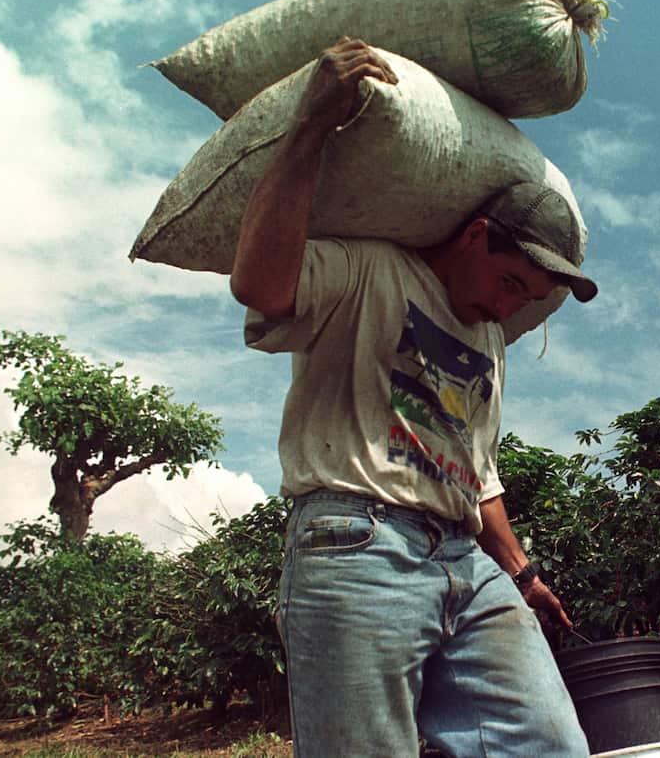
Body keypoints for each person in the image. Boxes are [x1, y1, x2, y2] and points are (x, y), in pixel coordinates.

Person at [230, 37, 598, 757]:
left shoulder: (489, 339)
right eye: (510, 282)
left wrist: (522, 572)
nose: (509, 307)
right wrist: (308, 128)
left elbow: (476, 472)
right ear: (475, 235)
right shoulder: (372, 272)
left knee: (552, 743)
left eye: (529, 297)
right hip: (356, 544)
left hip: (465, 561)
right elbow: (260, 286)